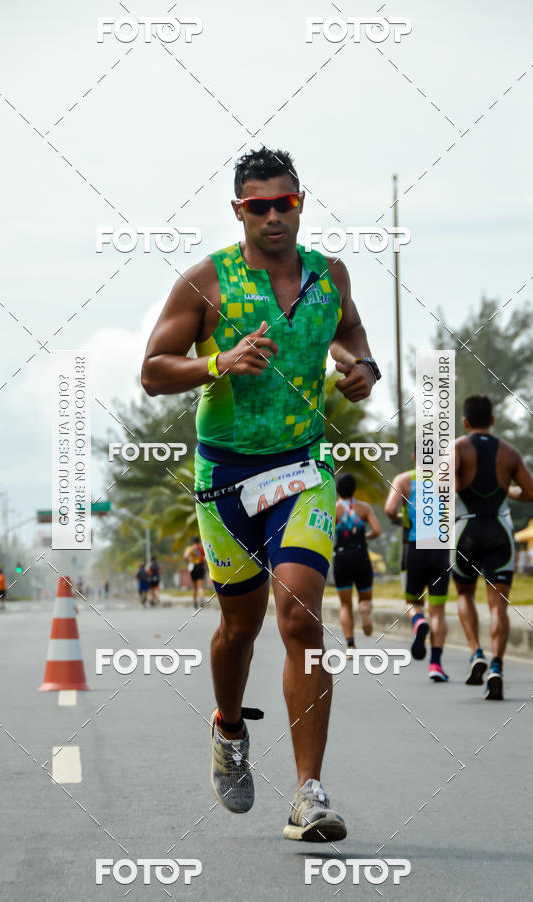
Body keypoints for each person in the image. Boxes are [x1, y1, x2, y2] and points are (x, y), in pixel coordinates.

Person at [141, 147, 379, 841]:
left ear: (302, 200)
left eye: (286, 203)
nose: (274, 216)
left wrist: (362, 364)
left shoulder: (329, 276)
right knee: (237, 631)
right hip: (226, 480)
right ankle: (228, 728)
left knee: (300, 617)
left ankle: (309, 794)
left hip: (303, 467)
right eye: (259, 206)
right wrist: (220, 360)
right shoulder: (206, 281)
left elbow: (352, 332)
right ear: (238, 210)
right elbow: (154, 371)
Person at [453, 395, 533, 700]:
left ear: (465, 422)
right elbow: (531, 493)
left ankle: (476, 652)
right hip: (499, 531)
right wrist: (508, 490)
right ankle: (497, 666)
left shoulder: (458, 447)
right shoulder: (509, 452)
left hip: (467, 529)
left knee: (464, 594)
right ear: (492, 420)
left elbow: (439, 485)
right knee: (498, 605)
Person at [384, 460, 451, 681]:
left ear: (415, 454)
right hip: (441, 549)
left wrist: (400, 519)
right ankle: (436, 664)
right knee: (438, 611)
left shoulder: (404, 479)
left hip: (414, 548)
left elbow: (390, 509)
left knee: (413, 603)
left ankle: (418, 622)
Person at [332, 473, 381, 653]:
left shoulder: (334, 509)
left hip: (342, 558)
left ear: (338, 490)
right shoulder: (364, 508)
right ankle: (364, 610)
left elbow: (329, 532)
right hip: (361, 556)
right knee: (365, 598)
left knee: (345, 605)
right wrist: (364, 536)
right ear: (354, 489)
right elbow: (377, 530)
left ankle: (351, 646)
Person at [183, 537, 206, 609]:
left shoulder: (190, 548)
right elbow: (205, 558)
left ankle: (195, 603)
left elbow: (186, 556)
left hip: (193, 568)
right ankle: (202, 598)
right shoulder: (202, 548)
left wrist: (189, 560)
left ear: (193, 542)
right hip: (200, 567)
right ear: (199, 542)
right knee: (200, 587)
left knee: (194, 588)